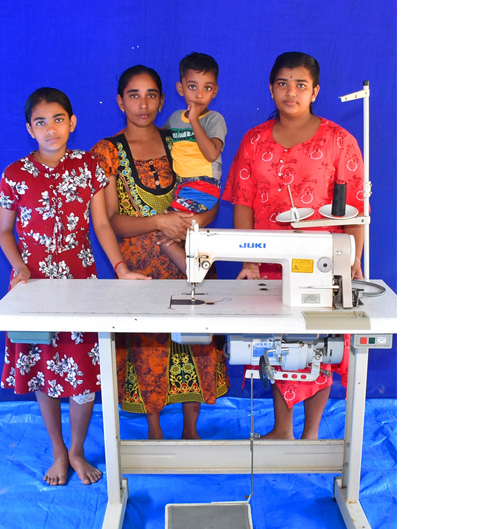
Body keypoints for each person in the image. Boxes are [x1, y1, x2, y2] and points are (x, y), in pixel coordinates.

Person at [0, 87, 150, 486]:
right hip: (35, 292)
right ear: (30, 129)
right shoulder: (14, 175)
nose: (51, 129)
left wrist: (120, 268)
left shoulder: (88, 167)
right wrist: (19, 268)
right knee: (43, 371)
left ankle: (78, 450)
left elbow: (102, 224)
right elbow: (5, 231)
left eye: (58, 119)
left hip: (81, 287)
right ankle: (58, 451)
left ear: (72, 122)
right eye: (41, 122)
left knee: (82, 372)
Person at [222, 52, 368, 440]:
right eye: (283, 83)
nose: (291, 92)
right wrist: (249, 260)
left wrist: (351, 260)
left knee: (320, 345)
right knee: (278, 346)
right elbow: (243, 202)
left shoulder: (340, 141)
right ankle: (283, 429)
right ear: (271, 89)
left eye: (301, 84)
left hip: (322, 263)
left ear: (315, 91)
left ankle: (312, 434)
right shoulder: (253, 141)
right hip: (270, 264)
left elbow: (355, 206)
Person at [91, 65, 229, 440]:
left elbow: (209, 190)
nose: (143, 104)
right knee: (148, 348)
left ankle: (191, 430)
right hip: (141, 269)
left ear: (163, 99)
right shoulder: (107, 152)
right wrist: (159, 223)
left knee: (195, 343)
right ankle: (153, 431)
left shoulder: (182, 138)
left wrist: (190, 223)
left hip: (189, 258)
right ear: (120, 101)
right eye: (133, 95)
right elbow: (111, 220)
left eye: (151, 94)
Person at [159, 52, 227, 273]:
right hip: (182, 185)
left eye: (207, 88)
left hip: (203, 184)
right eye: (192, 87)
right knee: (178, 226)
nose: (199, 95)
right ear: (180, 88)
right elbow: (163, 142)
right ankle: (196, 264)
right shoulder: (175, 118)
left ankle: (193, 271)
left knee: (168, 225)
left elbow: (211, 153)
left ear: (215, 91)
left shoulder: (214, 119)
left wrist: (195, 120)